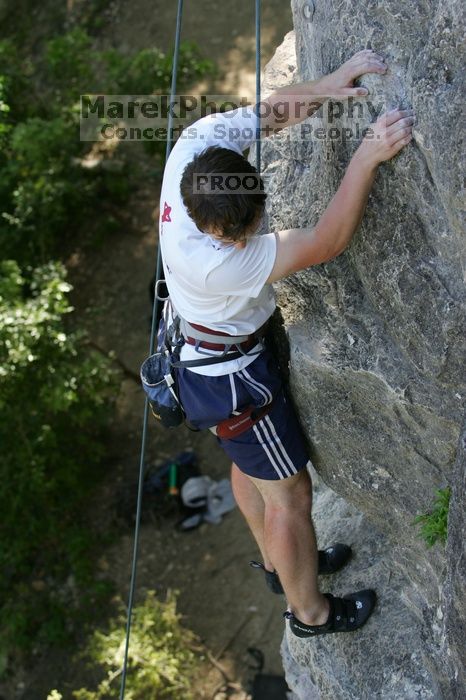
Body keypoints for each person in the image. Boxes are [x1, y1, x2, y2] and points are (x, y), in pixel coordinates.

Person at [158, 49, 415, 638]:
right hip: (233, 378)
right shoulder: (220, 263)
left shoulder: (195, 152)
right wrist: (368, 156)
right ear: (218, 233)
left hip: (200, 355)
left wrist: (329, 83)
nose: (258, 232)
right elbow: (326, 240)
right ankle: (311, 613)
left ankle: (282, 565)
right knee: (291, 497)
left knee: (251, 470)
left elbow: (269, 115)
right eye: (247, 230)